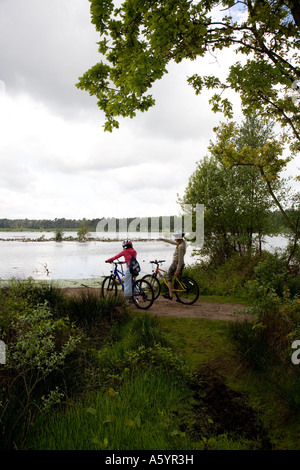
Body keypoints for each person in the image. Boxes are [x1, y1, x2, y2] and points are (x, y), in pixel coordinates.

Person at [158, 231, 186, 300]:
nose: (174, 238)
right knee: (179, 279)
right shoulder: (182, 243)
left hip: (176, 263)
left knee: (168, 276)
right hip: (181, 263)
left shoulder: (180, 247)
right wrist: (163, 239)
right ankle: (179, 297)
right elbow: (171, 242)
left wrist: (178, 269)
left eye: (176, 236)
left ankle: (170, 295)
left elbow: (180, 259)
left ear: (178, 238)